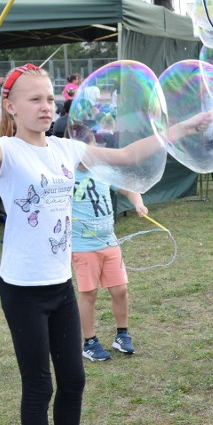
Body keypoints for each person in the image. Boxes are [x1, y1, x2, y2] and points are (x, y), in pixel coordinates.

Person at [0, 63, 204, 425]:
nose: (46, 106)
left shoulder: (67, 149)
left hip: (60, 285)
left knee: (73, 381)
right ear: (10, 106)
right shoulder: (5, 150)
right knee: (39, 387)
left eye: (50, 98)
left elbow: (125, 158)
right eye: (34, 99)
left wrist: (177, 130)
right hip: (22, 290)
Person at [65, 124, 147, 362]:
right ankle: (89, 342)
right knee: (88, 293)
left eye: (90, 151)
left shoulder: (102, 170)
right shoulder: (65, 175)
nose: (86, 158)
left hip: (109, 241)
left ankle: (122, 334)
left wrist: (138, 202)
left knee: (120, 289)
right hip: (82, 246)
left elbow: (128, 188)